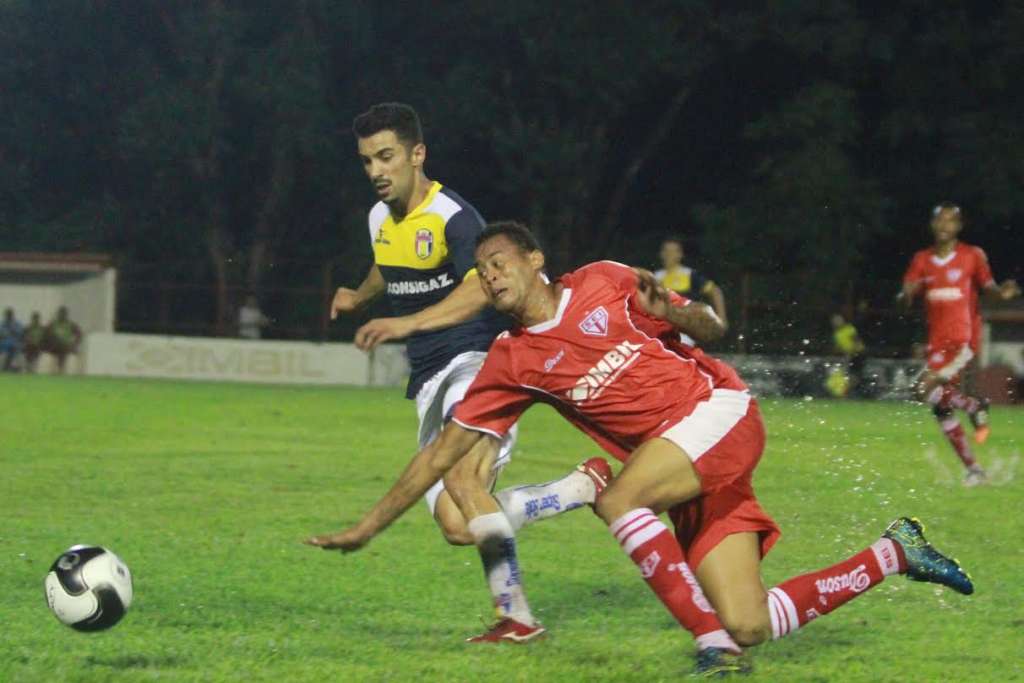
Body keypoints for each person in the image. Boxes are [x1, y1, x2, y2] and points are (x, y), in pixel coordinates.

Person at [309, 222, 975, 676]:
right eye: (481, 274)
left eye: (499, 263)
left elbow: (711, 324)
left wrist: (678, 311)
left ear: (534, 260)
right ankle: (895, 551)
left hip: (719, 411)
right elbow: (441, 455)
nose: (490, 277)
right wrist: (369, 526)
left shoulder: (604, 281)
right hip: (681, 464)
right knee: (750, 620)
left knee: (620, 494)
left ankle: (708, 646)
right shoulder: (510, 361)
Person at [323, 104, 609, 636]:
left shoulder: (455, 217)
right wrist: (359, 294)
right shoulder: (378, 218)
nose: (376, 171)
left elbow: (480, 286)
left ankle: (516, 617)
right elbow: (389, 264)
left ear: (417, 154)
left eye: (386, 157)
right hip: (431, 380)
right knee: (458, 524)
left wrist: (409, 324)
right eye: (366, 161)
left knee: (458, 475)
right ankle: (579, 489)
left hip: (476, 364)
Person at [901, 202, 1021, 486]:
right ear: (932, 225)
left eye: (950, 221)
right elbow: (906, 293)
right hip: (937, 342)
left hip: (963, 337)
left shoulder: (972, 255)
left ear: (959, 226)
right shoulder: (922, 259)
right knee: (940, 406)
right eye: (939, 220)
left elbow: (988, 289)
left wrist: (1002, 294)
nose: (944, 226)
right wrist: (905, 295)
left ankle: (973, 405)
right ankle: (975, 469)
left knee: (923, 388)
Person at [654, 236, 727, 339]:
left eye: (673, 251)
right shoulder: (655, 277)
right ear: (661, 254)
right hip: (661, 329)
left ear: (680, 254)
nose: (669, 255)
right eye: (666, 251)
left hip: (684, 330)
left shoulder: (689, 275)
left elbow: (715, 291)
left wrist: (721, 318)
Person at [830, 313, 866, 397]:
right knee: (849, 374)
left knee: (855, 374)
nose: (837, 323)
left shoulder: (849, 329)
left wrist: (854, 352)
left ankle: (850, 392)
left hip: (857, 354)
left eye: (838, 320)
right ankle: (848, 392)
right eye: (835, 321)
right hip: (848, 355)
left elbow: (856, 340)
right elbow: (839, 347)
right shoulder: (837, 334)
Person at [44, 306, 82, 374]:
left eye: (64, 314)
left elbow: (79, 334)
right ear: (58, 314)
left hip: (66, 347)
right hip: (54, 347)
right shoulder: (53, 324)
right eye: (60, 313)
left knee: (63, 348)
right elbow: (45, 335)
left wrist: (74, 343)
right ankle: (60, 368)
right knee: (59, 345)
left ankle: (61, 369)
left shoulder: (71, 324)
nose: (62, 315)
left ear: (66, 315)